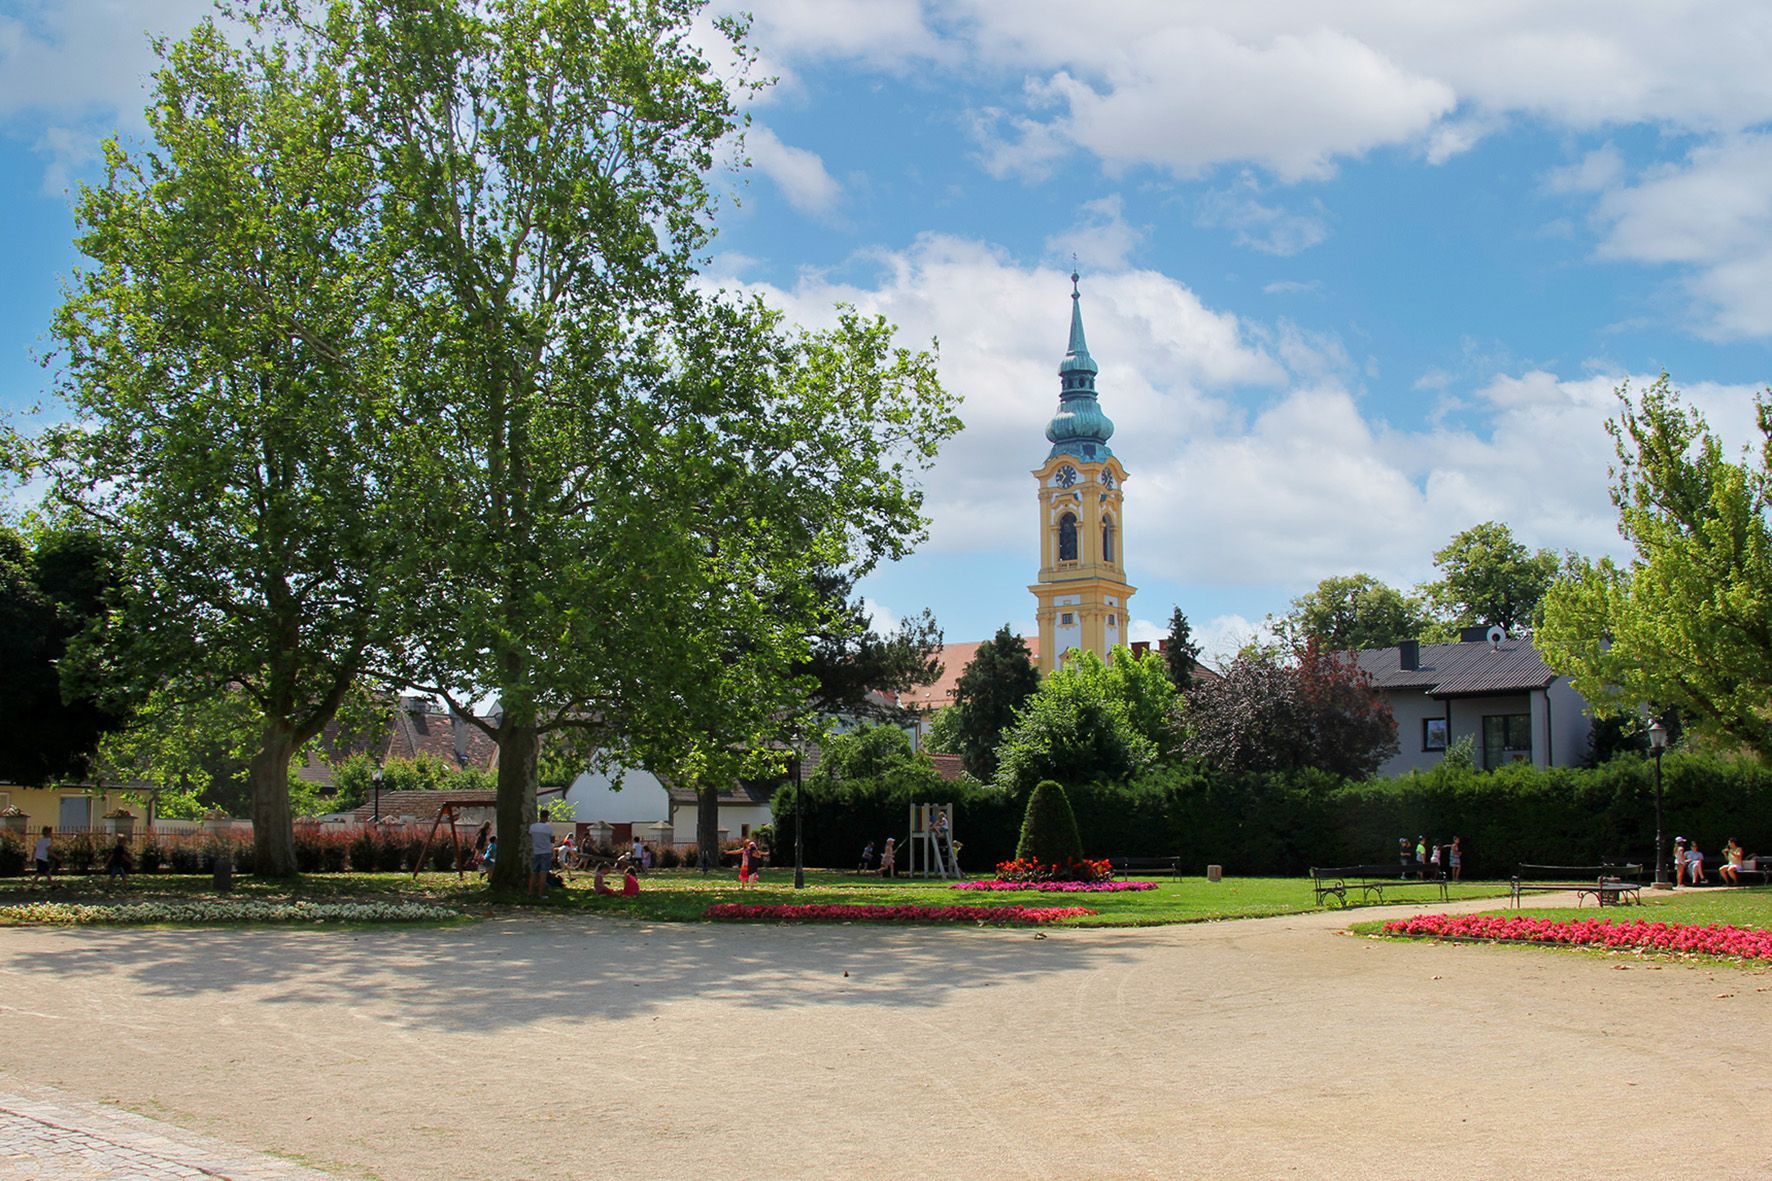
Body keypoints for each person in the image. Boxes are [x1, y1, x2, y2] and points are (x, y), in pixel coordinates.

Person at [528, 809, 555, 898]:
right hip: (546, 851)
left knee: (534, 873)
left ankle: (530, 893)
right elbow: (552, 840)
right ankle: (541, 894)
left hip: (536, 851)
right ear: (547, 817)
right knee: (543, 873)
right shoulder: (548, 828)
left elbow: (530, 836)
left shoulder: (533, 827)